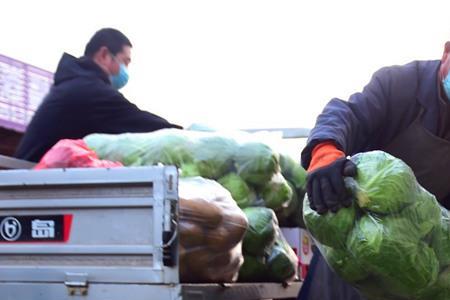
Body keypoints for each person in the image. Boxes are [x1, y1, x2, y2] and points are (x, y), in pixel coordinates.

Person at [298, 42, 450, 300]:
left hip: (417, 260)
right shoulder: (400, 84)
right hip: (351, 247)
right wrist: (325, 151)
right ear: (447, 52)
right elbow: (347, 113)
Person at [15, 28, 181, 162]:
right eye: (125, 61)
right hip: (32, 188)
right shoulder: (88, 91)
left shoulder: (77, 83)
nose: (126, 71)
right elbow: (140, 122)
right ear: (104, 55)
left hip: (34, 182)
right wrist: (190, 137)